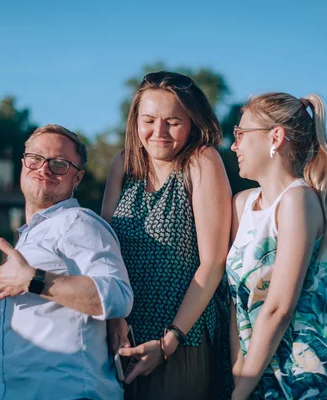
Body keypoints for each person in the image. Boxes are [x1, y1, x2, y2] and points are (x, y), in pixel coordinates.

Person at [0, 124, 134, 400]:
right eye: (35, 159)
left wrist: (34, 279)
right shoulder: (30, 237)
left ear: (77, 178)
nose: (44, 168)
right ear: (23, 164)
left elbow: (118, 296)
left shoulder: (79, 223)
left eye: (59, 163)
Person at [101, 71, 233, 400]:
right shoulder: (123, 164)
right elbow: (103, 253)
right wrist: (114, 317)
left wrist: (168, 342)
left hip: (181, 341)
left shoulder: (202, 162)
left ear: (191, 122)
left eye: (172, 122)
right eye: (149, 120)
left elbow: (213, 263)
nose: (158, 132)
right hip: (122, 339)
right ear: (135, 122)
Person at [227, 93, 327, 399]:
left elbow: (279, 308)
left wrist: (239, 390)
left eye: (240, 134)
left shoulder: (298, 200)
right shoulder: (242, 204)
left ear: (275, 137)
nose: (233, 145)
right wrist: (239, 370)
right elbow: (235, 300)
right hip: (255, 373)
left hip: (300, 380)